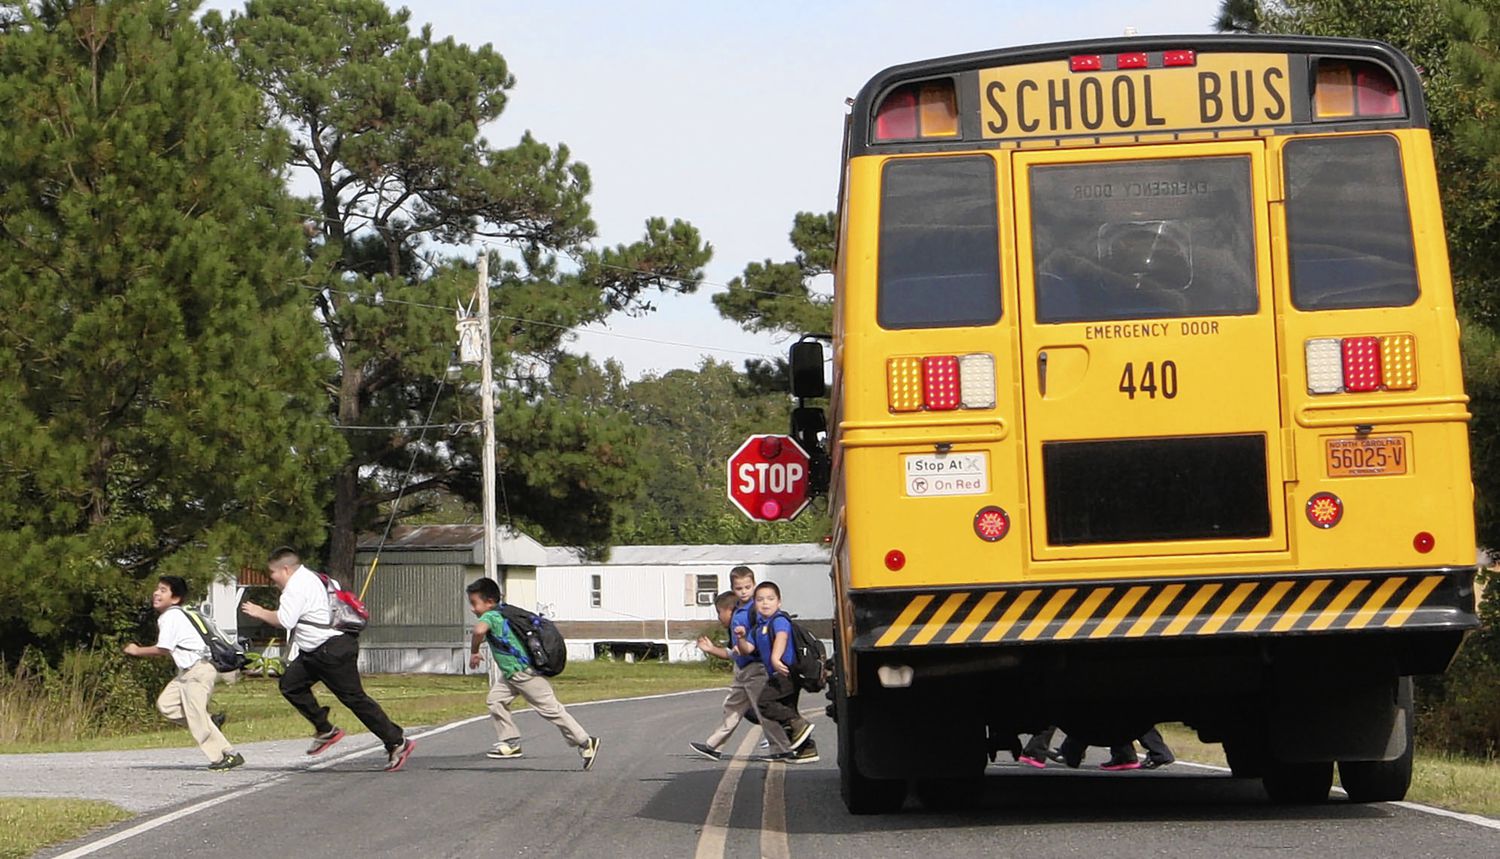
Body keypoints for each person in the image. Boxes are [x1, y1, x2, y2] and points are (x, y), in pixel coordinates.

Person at [241, 547, 414, 772]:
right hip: (317, 650)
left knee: (354, 699)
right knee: (290, 685)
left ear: (285, 569)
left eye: (272, 574)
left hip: (331, 650)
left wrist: (259, 611)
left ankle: (397, 742)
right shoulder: (318, 578)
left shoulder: (296, 587)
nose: (272, 580)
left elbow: (284, 621)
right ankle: (325, 729)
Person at [465, 577, 601, 770]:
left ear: (488, 602)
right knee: (495, 700)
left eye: (474, 603)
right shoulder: (503, 612)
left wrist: (474, 652)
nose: (472, 609)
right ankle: (510, 742)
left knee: (551, 710)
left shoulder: (490, 616)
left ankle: (586, 741)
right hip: (512, 675)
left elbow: (478, 631)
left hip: (524, 674)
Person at [124, 576, 242, 771]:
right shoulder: (174, 615)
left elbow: (163, 648)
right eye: (157, 589)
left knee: (196, 718)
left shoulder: (171, 616)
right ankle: (209, 721)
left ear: (175, 598)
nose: (156, 593)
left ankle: (227, 754)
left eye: (163, 590)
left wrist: (137, 651)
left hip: (198, 671)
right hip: (186, 673)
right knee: (166, 705)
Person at [689, 568, 768, 761]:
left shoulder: (751, 613)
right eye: (739, 588)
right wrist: (711, 649)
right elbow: (733, 652)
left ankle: (784, 740)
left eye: (719, 612)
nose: (743, 591)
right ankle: (713, 746)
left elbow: (755, 641)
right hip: (743, 669)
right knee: (732, 707)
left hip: (756, 667)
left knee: (764, 706)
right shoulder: (739, 616)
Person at [739, 581, 817, 763]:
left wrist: (775, 658)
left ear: (779, 602)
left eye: (770, 599)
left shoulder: (779, 620)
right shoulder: (757, 628)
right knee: (786, 710)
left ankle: (799, 723)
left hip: (785, 673)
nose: (765, 603)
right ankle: (807, 750)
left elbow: (782, 636)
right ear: (754, 603)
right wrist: (741, 638)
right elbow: (747, 649)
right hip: (776, 674)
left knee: (764, 703)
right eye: (760, 600)